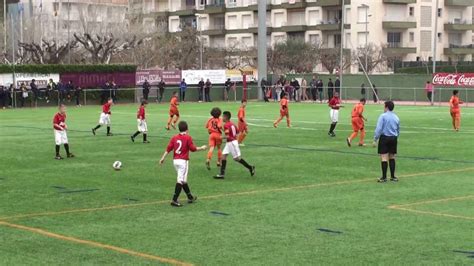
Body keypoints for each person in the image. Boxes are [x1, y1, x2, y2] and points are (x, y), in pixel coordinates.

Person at [159, 121, 207, 207]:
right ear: (187, 129)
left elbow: (168, 148)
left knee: (183, 179)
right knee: (180, 180)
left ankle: (190, 197)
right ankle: (174, 199)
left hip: (175, 161)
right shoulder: (188, 137)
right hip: (183, 161)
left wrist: (163, 158)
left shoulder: (174, 137)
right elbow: (192, 149)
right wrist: (202, 148)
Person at [214, 111, 255, 179]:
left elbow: (227, 136)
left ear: (226, 117)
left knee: (236, 158)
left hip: (232, 143)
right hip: (230, 142)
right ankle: (222, 174)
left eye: (223, 116)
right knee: (223, 157)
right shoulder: (232, 124)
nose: (222, 118)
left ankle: (250, 167)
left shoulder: (226, 125)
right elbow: (237, 132)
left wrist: (220, 137)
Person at [373, 101, 400, 183]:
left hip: (385, 137)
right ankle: (393, 176)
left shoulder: (383, 116)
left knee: (384, 157)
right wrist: (395, 137)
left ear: (387, 107)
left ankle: (384, 177)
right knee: (392, 156)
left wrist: (375, 138)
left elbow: (379, 129)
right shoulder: (396, 117)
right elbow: (398, 130)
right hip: (393, 138)